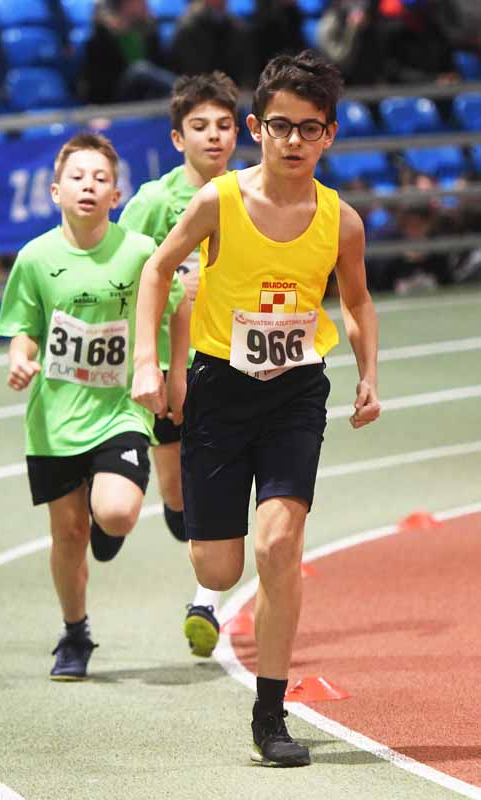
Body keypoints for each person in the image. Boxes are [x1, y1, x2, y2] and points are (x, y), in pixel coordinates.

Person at [131, 50, 380, 766]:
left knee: (278, 547)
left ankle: (270, 715)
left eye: (309, 128)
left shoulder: (341, 220)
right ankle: (199, 546)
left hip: (296, 392)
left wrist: (368, 372)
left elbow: (357, 301)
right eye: (280, 126)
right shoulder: (218, 202)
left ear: (329, 134)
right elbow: (156, 270)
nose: (294, 141)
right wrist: (147, 361)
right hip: (219, 388)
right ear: (256, 128)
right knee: (217, 570)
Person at [0, 133, 190, 681]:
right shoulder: (35, 258)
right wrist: (21, 359)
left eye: (100, 178)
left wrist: (174, 374)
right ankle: (75, 632)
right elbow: (24, 329)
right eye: (77, 177)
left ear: (116, 194)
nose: (88, 186)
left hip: (120, 409)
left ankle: (108, 515)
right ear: (56, 190)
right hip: (55, 419)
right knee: (68, 536)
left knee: (117, 513)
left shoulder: (139, 252)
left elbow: (179, 306)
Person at [118, 70, 239, 659]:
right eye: (200, 126)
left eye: (223, 125)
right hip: (171, 367)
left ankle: (205, 602)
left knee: (224, 483)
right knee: (177, 498)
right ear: (177, 138)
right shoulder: (153, 202)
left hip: (231, 361)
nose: (213, 136)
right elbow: (124, 273)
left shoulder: (250, 193)